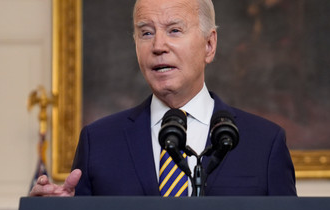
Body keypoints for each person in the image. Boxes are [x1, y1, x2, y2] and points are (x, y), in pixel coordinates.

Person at [30, 0, 296, 197]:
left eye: (174, 31)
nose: (158, 46)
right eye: (146, 33)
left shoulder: (264, 143)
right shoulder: (99, 142)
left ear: (209, 45)